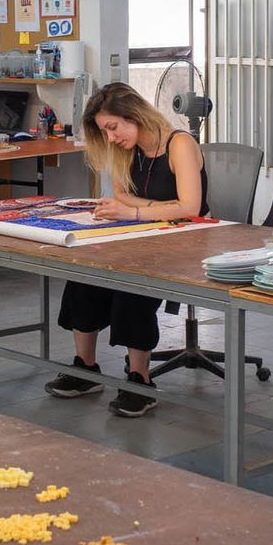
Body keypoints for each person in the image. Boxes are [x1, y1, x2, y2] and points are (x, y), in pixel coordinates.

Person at [42, 83, 206, 419]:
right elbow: (121, 196)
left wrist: (136, 211)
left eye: (113, 127)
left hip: (184, 240)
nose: (112, 138)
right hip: (139, 233)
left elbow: (191, 207)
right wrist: (153, 208)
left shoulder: (180, 144)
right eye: (105, 131)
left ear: (134, 114)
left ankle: (139, 380)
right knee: (84, 271)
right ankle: (85, 368)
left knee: (132, 285)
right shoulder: (126, 151)